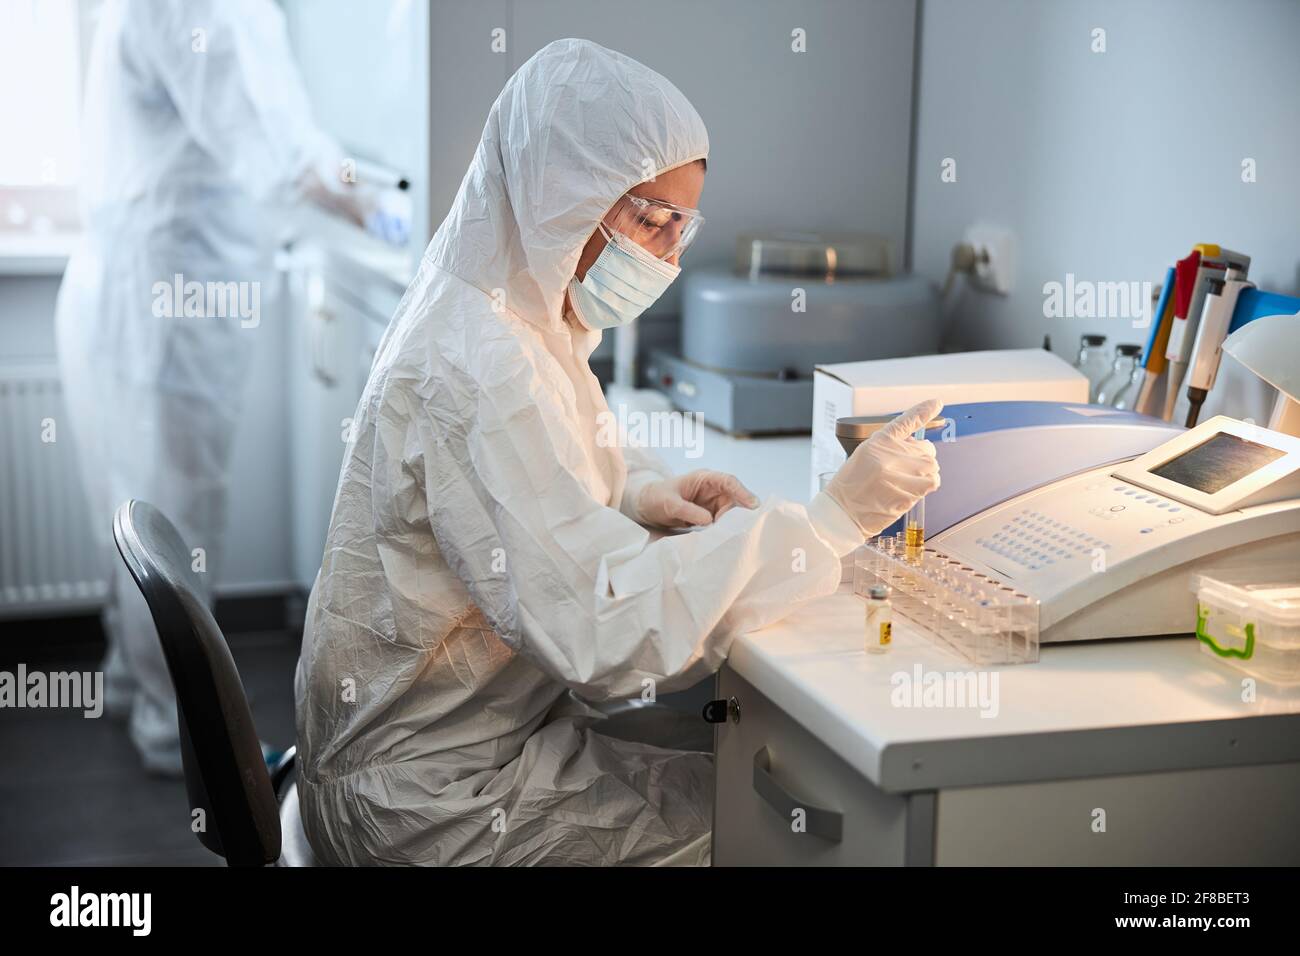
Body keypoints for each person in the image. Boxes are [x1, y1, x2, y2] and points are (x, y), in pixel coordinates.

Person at [294, 38, 940, 865]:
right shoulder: (474, 361)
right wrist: (829, 522)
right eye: (649, 220)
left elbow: (555, 458)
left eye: (681, 225)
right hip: (431, 805)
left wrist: (637, 494)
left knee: (745, 766)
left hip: (471, 740)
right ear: (562, 196)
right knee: (781, 829)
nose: (667, 256)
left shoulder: (515, 314)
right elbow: (604, 632)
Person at [56, 0, 372, 775]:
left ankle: (134, 686)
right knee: (173, 519)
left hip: (124, 285)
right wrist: (396, 204)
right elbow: (283, 146)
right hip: (169, 301)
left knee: (129, 511)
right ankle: (190, 739)